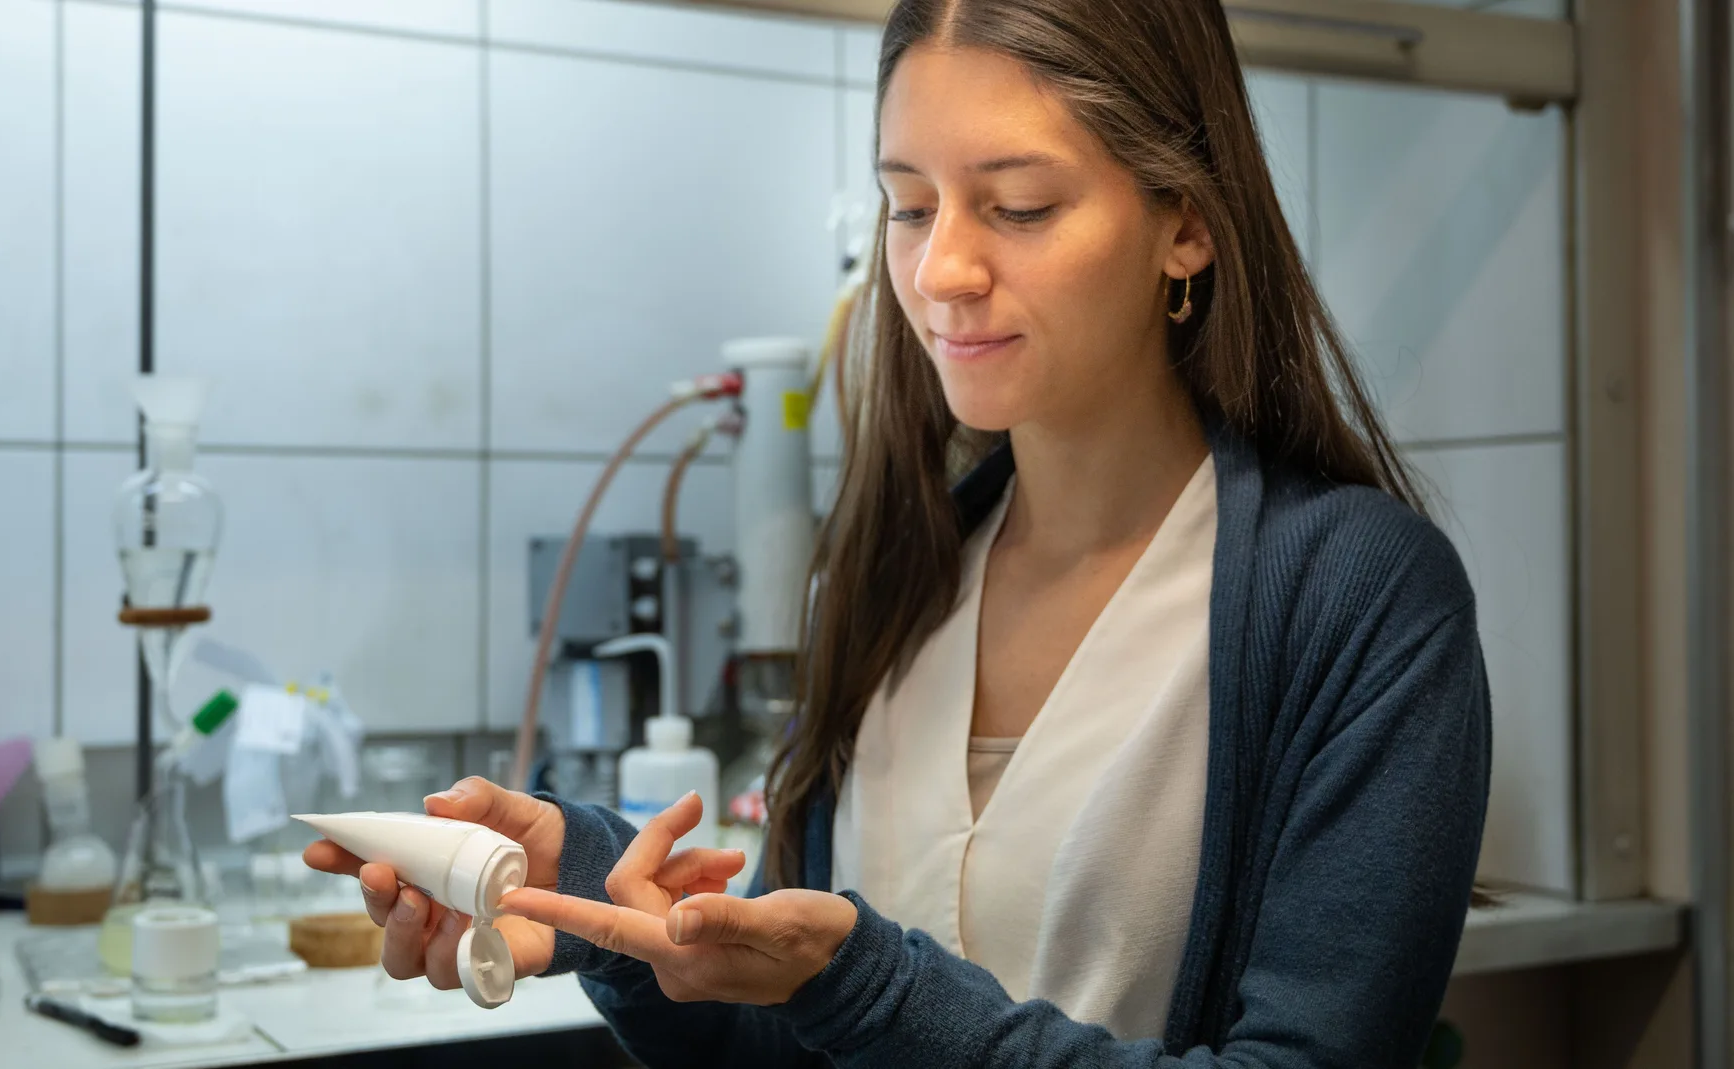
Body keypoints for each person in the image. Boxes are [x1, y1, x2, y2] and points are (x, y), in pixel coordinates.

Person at [305, 0, 1492, 1064]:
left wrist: (868, 986)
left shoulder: (1359, 602)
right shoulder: (891, 580)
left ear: (1184, 223)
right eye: (908, 205)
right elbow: (782, 1030)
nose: (941, 269)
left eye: (1018, 206)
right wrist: (609, 904)